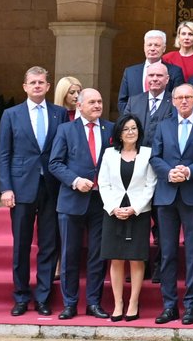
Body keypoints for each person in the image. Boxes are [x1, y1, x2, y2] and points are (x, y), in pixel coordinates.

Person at [0, 67, 68, 317]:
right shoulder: (11, 114)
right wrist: (5, 188)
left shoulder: (60, 113)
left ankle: (43, 297)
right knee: (22, 245)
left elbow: (63, 150)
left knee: (49, 244)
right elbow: (4, 154)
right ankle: (20, 296)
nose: (37, 86)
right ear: (25, 86)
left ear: (48, 87)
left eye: (41, 82)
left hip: (51, 186)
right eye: (33, 82)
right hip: (20, 186)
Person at [150, 82, 193, 326]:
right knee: (167, 253)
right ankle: (169, 305)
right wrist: (169, 173)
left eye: (189, 97)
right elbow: (155, 157)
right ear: (173, 101)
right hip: (167, 196)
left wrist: (188, 171)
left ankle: (191, 305)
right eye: (180, 97)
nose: (184, 101)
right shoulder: (163, 125)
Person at [49, 88, 115, 320]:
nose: (97, 105)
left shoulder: (111, 128)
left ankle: (94, 303)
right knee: (70, 254)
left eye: (100, 101)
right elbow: (55, 163)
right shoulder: (66, 130)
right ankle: (69, 303)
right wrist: (75, 181)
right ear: (80, 105)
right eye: (92, 102)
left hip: (101, 202)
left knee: (98, 255)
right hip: (71, 200)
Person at [98, 114, 157, 322]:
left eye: (134, 128)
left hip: (138, 210)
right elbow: (103, 183)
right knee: (116, 258)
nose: (130, 132)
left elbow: (151, 184)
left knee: (136, 258)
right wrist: (113, 208)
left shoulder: (148, 154)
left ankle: (133, 302)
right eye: (126, 129)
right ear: (119, 134)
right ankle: (118, 303)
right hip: (113, 210)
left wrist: (135, 208)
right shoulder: (109, 154)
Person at [117, 30, 183, 113]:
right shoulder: (130, 72)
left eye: (157, 45)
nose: (152, 48)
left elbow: (178, 100)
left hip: (164, 122)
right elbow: (122, 102)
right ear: (144, 47)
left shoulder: (175, 72)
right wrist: (131, 121)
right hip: (135, 123)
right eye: (149, 45)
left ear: (164, 48)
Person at [125, 62, 175, 147]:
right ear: (146, 78)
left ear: (167, 79)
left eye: (159, 75)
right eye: (151, 75)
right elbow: (124, 127)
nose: (155, 79)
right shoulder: (133, 101)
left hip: (164, 155)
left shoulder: (175, 101)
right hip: (137, 154)